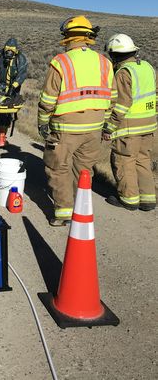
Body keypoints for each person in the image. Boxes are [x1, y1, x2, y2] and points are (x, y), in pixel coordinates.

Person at [38, 16, 116, 226]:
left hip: (66, 128)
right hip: (94, 129)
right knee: (83, 170)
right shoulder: (105, 62)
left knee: (59, 168)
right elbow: (113, 96)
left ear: (68, 36)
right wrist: (105, 122)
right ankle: (79, 212)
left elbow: (48, 98)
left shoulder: (61, 62)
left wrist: (43, 121)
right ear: (88, 36)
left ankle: (63, 213)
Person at [102, 33, 157, 211]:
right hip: (149, 125)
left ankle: (129, 199)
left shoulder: (123, 72)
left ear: (115, 55)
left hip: (128, 127)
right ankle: (148, 199)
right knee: (143, 160)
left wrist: (109, 127)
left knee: (124, 161)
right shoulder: (148, 67)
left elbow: (122, 104)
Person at [0, 37, 28, 147]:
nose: (8, 54)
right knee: (0, 111)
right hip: (0, 86)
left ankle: (4, 130)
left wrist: (13, 87)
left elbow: (22, 74)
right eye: (7, 51)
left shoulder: (21, 58)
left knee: (9, 110)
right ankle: (1, 135)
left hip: (13, 88)